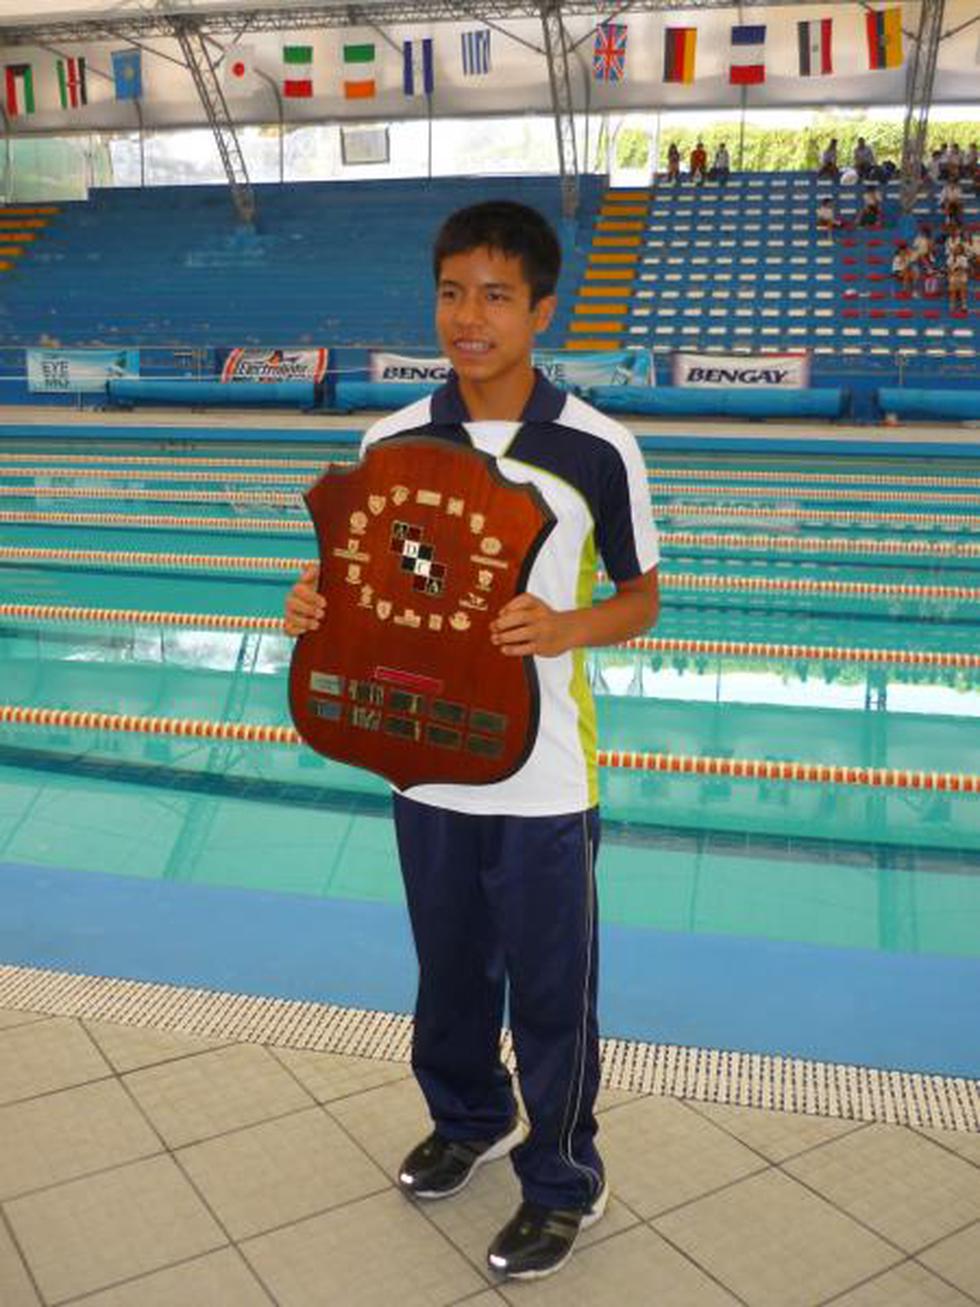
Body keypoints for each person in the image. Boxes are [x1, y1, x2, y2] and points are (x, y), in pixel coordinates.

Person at [284, 201, 660, 1281]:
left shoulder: (597, 447)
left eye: (495, 295)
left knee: (551, 992)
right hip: (423, 758)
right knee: (447, 972)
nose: (468, 316)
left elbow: (640, 598)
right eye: (452, 292)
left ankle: (563, 1178)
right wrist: (314, 603)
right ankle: (468, 1118)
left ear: (541, 310)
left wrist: (566, 627)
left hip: (543, 778)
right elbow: (368, 578)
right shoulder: (392, 437)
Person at [947, 241, 969, 313]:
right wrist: (950, 275)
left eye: (958, 249)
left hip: (961, 276)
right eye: (956, 248)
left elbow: (965, 268)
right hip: (953, 276)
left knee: (962, 291)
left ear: (961, 250)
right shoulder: (950, 257)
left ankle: (964, 306)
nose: (956, 250)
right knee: (953, 292)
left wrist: (959, 268)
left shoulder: (964, 258)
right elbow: (949, 268)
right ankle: (952, 305)